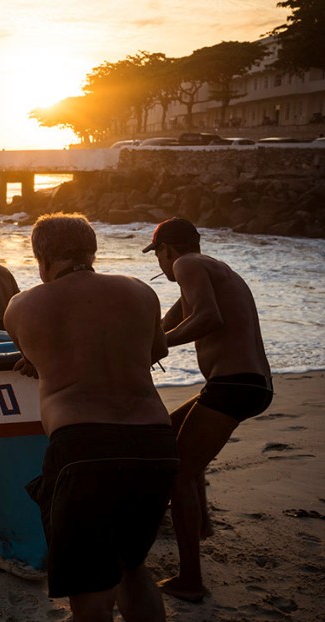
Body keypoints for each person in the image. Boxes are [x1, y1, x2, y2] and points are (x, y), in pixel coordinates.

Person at [5, 213, 177, 622]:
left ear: (41, 259)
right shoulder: (140, 293)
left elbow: (40, 356)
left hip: (83, 448)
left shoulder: (21, 306)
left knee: (91, 596)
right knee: (132, 566)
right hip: (155, 441)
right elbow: (156, 351)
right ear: (92, 251)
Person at [142, 217, 272, 603]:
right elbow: (169, 324)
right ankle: (200, 526)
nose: (161, 266)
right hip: (247, 384)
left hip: (234, 386)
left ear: (168, 250)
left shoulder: (188, 265)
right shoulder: (210, 270)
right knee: (170, 432)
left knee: (176, 475)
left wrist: (156, 349)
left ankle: (190, 581)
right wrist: (145, 342)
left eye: (159, 257)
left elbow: (207, 319)